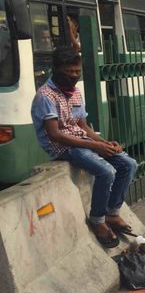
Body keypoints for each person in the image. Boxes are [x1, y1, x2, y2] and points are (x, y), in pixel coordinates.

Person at [31, 46, 137, 248]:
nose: (73, 76)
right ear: (57, 70)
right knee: (106, 172)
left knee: (128, 164)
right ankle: (98, 220)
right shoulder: (45, 96)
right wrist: (94, 146)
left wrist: (104, 143)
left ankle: (112, 214)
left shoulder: (76, 92)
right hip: (64, 148)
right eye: (68, 72)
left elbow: (81, 125)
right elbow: (55, 134)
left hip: (84, 142)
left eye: (76, 72)